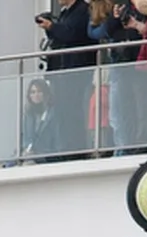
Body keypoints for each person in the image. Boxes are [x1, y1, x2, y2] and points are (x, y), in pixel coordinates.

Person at [36, 0, 94, 154]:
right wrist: (50, 29)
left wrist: (52, 27)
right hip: (62, 70)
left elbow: (72, 34)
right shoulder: (65, 13)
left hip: (76, 69)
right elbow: (60, 37)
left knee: (73, 111)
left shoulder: (83, 10)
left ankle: (76, 149)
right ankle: (64, 147)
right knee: (62, 111)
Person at [20, 78, 62, 161]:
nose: (36, 95)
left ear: (45, 94)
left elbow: (59, 145)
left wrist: (40, 155)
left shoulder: (53, 115)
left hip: (47, 161)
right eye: (33, 92)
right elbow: (24, 140)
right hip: (29, 161)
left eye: (39, 91)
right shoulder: (28, 115)